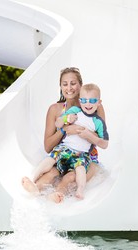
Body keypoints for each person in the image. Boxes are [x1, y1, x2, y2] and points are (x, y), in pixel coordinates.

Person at [22, 67, 106, 202]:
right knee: (51, 173)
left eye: (73, 83)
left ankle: (57, 195)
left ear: (80, 85)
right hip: (64, 155)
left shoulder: (94, 106)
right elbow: (48, 146)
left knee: (70, 178)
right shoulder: (55, 110)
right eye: (64, 84)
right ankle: (36, 190)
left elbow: (101, 140)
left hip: (86, 158)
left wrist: (79, 130)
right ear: (60, 87)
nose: (69, 88)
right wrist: (64, 130)